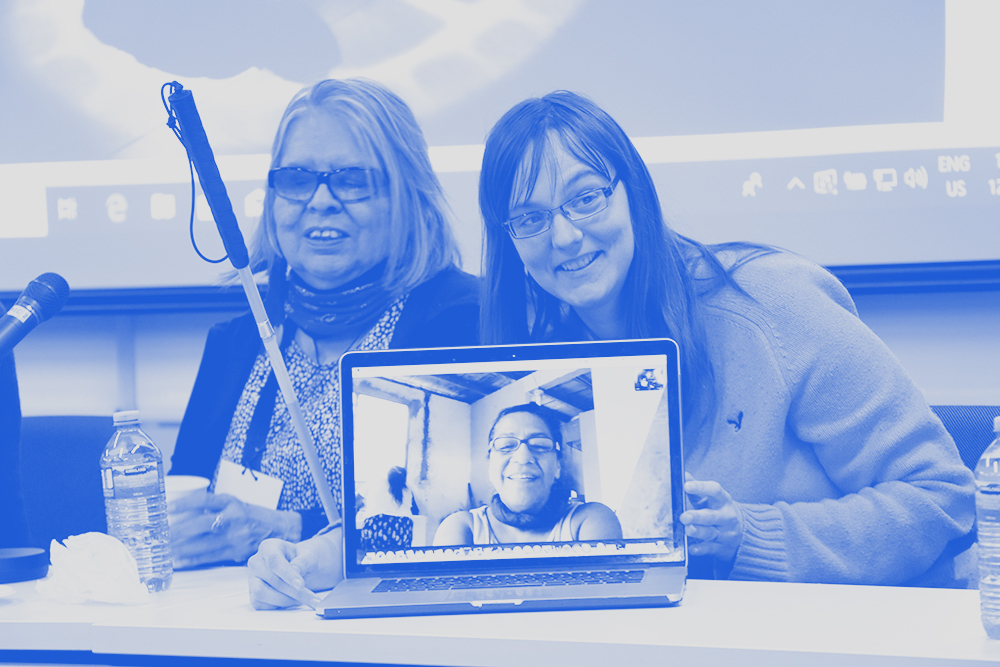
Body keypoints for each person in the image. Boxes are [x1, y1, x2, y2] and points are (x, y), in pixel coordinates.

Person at [475, 91, 975, 585]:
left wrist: (746, 535)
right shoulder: (546, 360)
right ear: (509, 240)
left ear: (633, 193)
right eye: (530, 218)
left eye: (586, 199)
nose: (563, 236)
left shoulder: (771, 301)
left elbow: (940, 496)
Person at [168, 78, 478, 571]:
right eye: (296, 179)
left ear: (408, 194)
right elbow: (183, 504)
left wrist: (292, 530)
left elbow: (465, 520)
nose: (321, 200)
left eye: (352, 179)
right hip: (231, 620)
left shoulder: (463, 322)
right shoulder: (237, 342)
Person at [434, 403, 622, 546]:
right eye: (506, 446)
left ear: (557, 466)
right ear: (490, 465)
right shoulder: (463, 527)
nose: (523, 457)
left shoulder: (589, 520)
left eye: (539, 446)